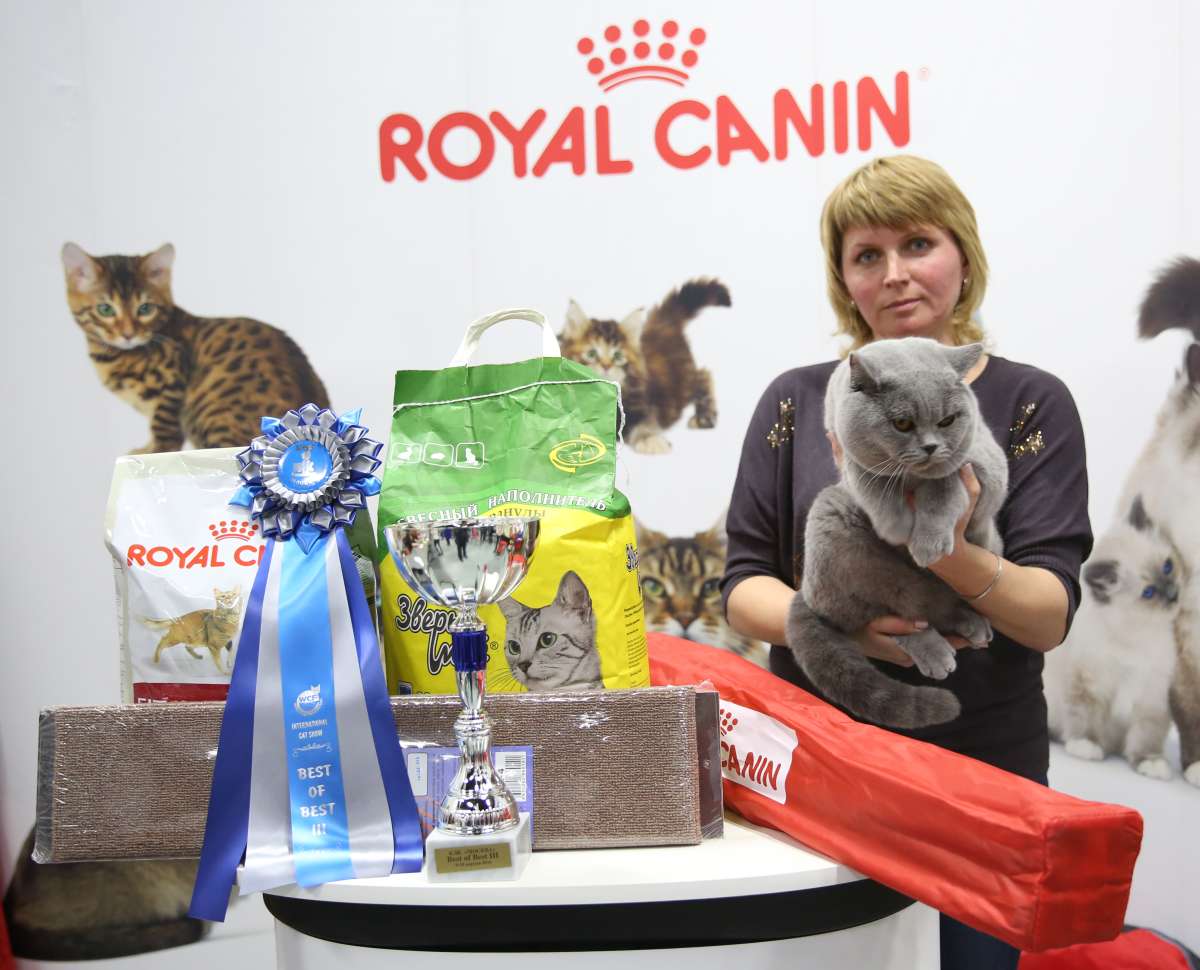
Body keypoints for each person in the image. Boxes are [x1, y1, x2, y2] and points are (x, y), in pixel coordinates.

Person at [721, 155, 1093, 970]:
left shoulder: (1032, 401)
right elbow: (743, 584)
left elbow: (1047, 616)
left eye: (917, 244)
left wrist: (948, 548)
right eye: (867, 255)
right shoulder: (797, 400)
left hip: (984, 768)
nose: (894, 274)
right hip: (826, 760)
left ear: (963, 255)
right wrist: (840, 635)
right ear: (844, 280)